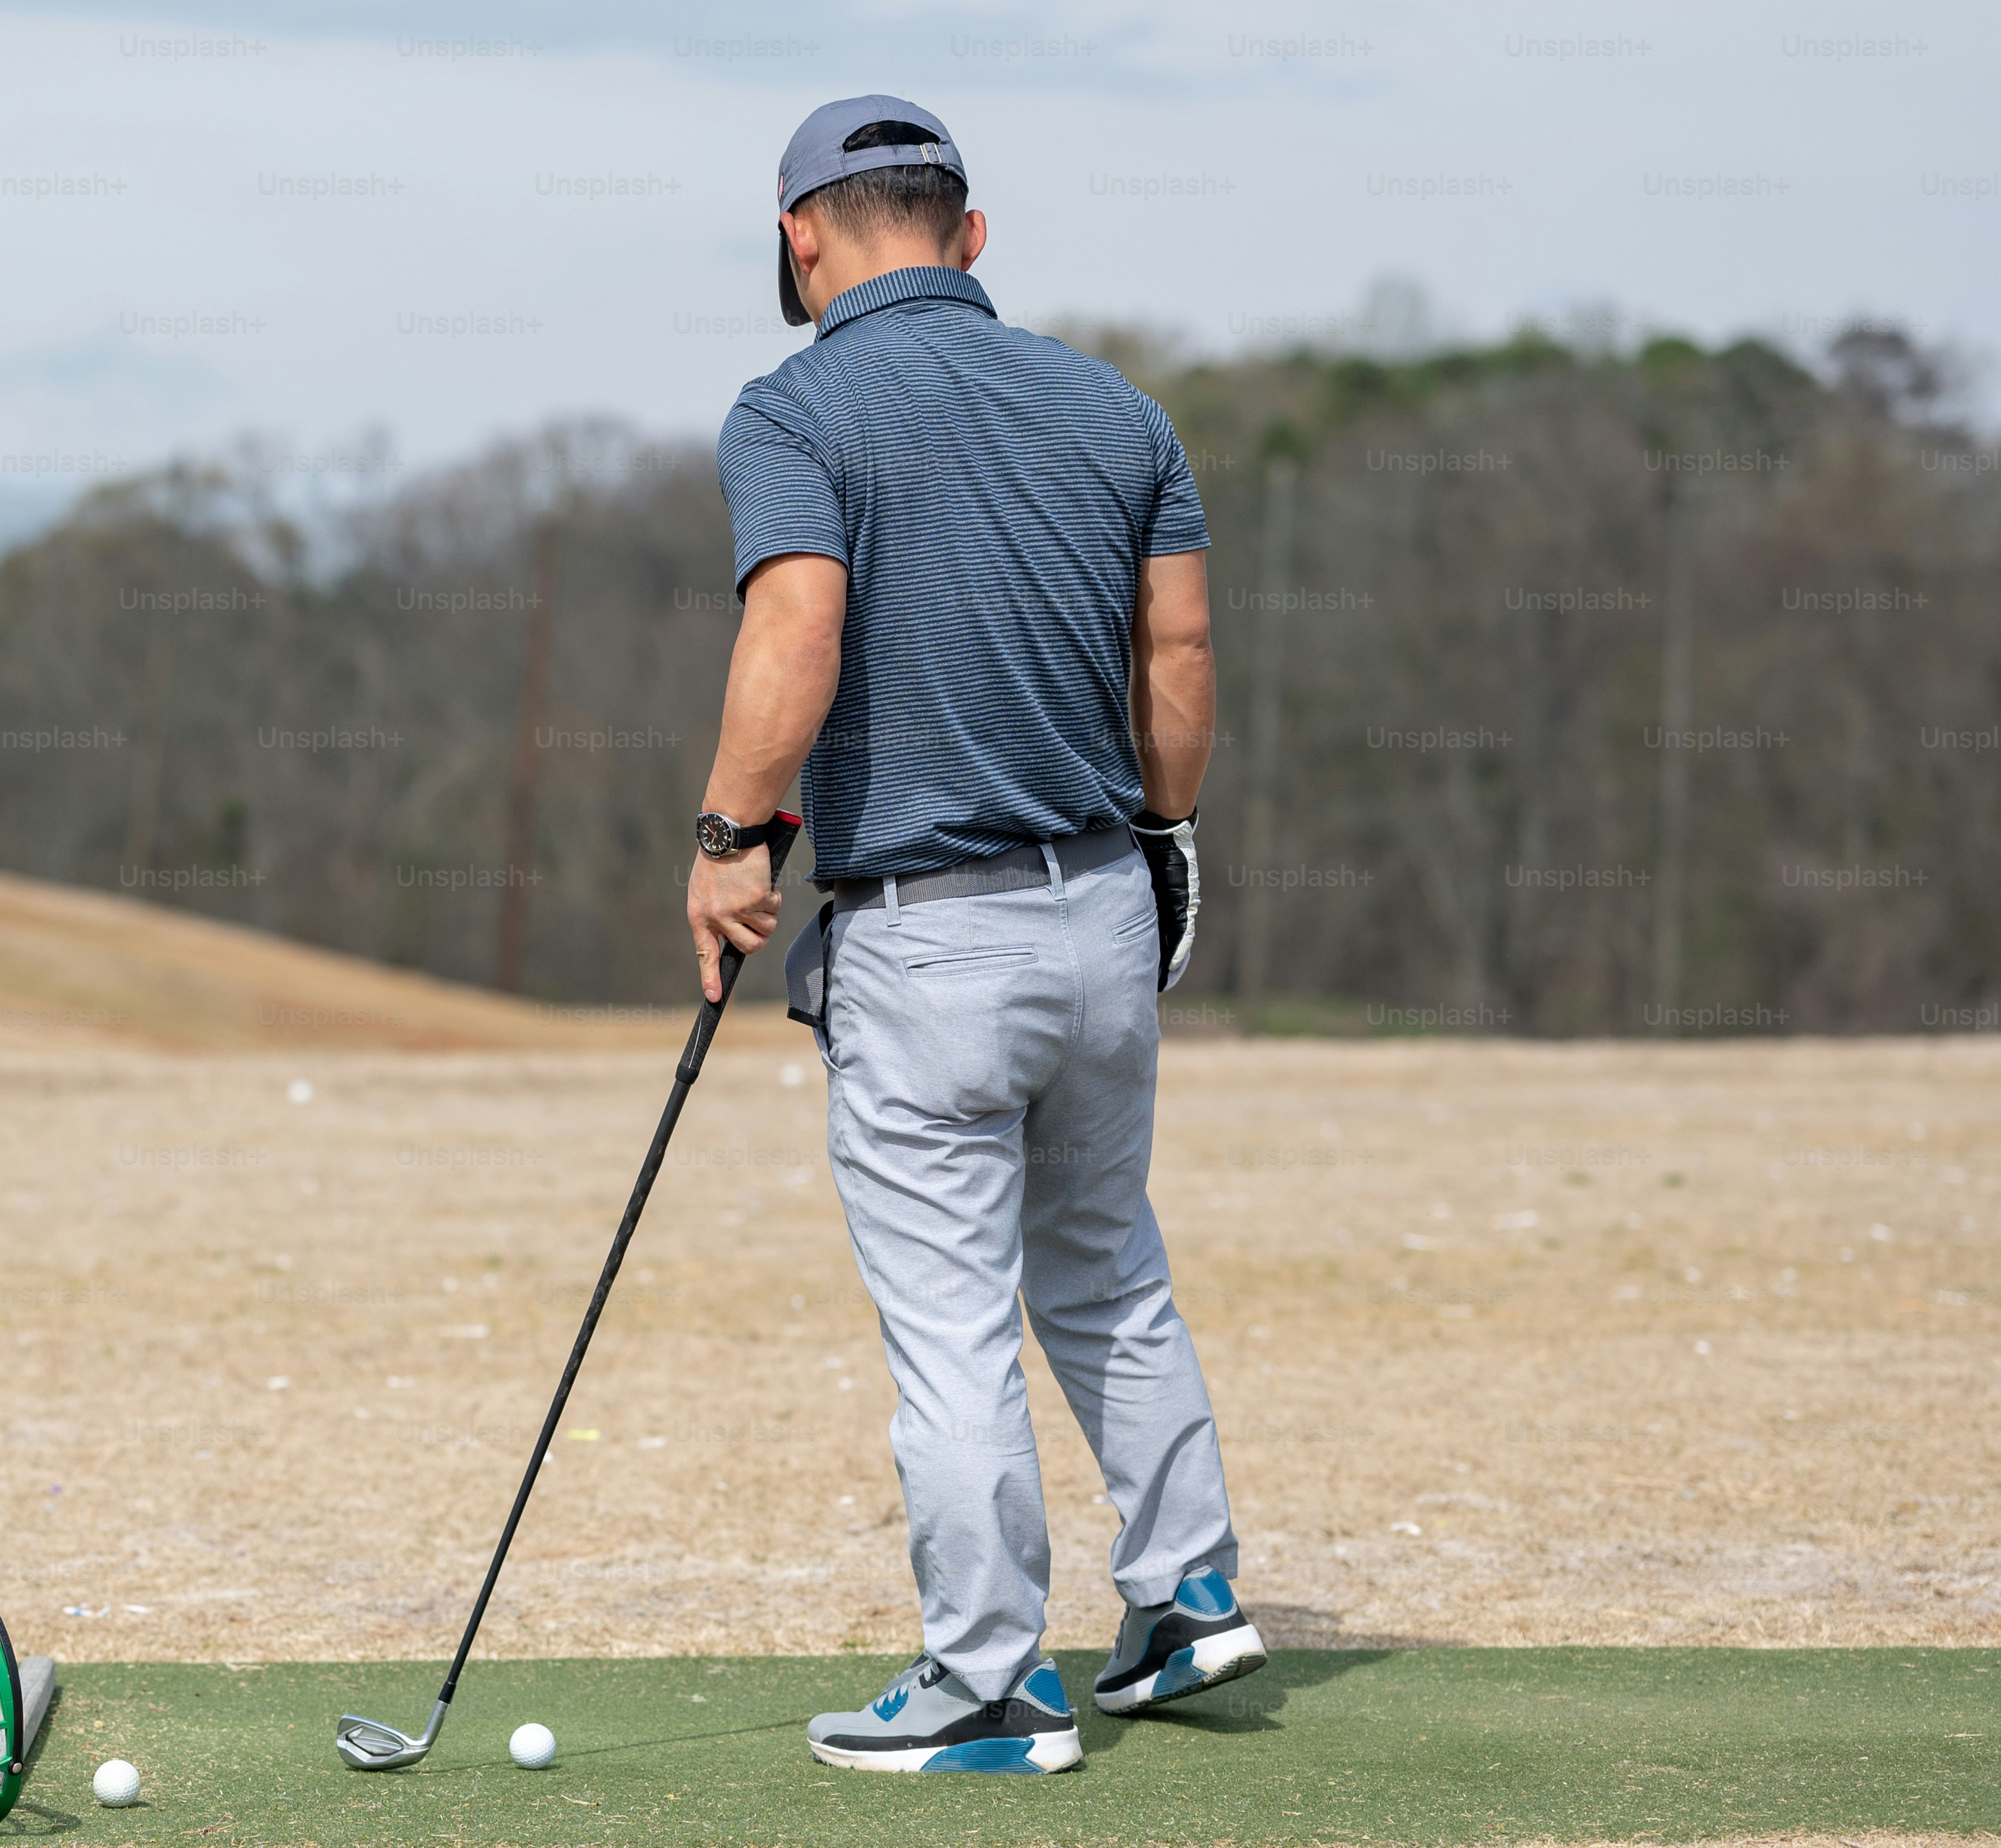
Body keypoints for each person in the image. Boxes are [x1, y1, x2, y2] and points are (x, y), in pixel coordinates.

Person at [684, 94, 1261, 1775]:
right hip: (1101, 907)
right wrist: (1156, 828)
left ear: (801, 235)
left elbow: (797, 623)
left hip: (925, 942)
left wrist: (727, 839)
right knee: (1104, 1268)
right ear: (969, 234)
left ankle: (990, 1685)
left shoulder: (789, 411)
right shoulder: (1112, 406)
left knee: (949, 1321)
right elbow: (1181, 652)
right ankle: (1184, 1593)